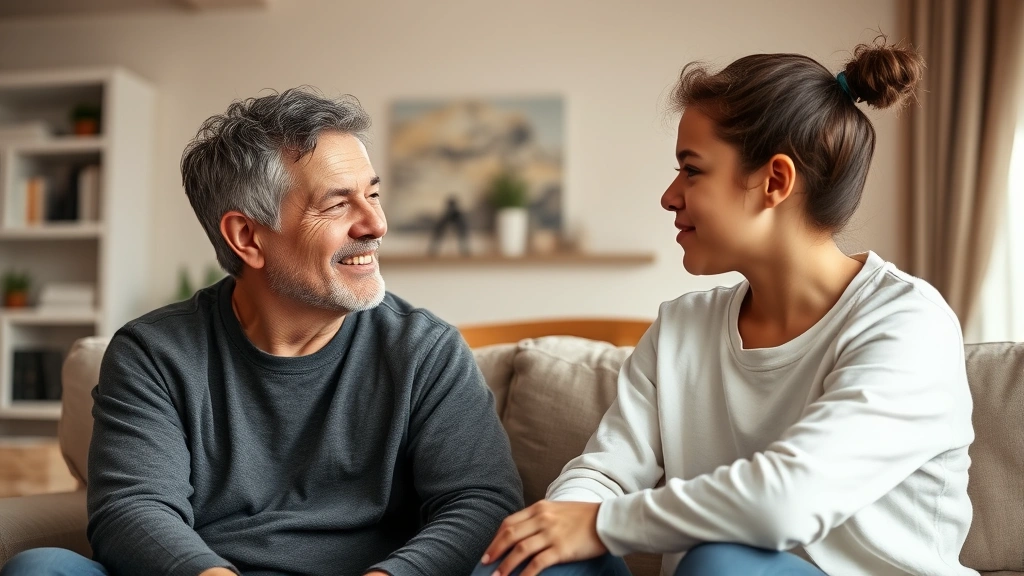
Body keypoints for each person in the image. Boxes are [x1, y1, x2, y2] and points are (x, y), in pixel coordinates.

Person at [476, 40, 976, 576]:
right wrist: (557, 525)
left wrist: (598, 524)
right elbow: (605, 474)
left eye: (691, 170)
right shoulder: (682, 327)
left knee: (724, 564)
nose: (670, 196)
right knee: (527, 560)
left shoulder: (907, 324)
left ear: (774, 182)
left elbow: (785, 500)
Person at [0, 88, 523, 576]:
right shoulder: (153, 354)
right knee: (41, 568)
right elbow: (132, 509)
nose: (375, 224)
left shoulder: (424, 350)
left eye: (373, 194)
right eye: (338, 204)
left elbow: (480, 501)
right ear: (247, 236)